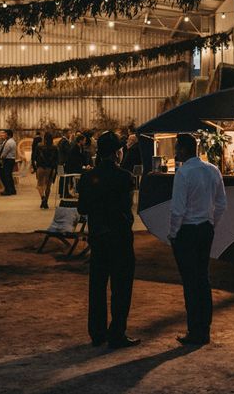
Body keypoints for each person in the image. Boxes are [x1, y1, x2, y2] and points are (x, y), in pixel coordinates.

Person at [77, 131, 139, 349]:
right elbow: (127, 207)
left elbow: (82, 208)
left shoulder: (87, 177)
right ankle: (117, 332)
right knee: (121, 288)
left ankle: (97, 332)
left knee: (97, 286)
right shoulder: (125, 177)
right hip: (120, 237)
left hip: (98, 237)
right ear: (117, 153)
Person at [169, 133, 227, 345]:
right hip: (205, 229)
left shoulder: (183, 173)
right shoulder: (212, 170)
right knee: (203, 279)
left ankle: (194, 330)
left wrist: (173, 233)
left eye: (176, 148)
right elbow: (221, 203)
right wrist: (212, 224)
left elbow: (177, 210)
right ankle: (205, 329)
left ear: (183, 150)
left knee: (190, 283)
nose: (175, 152)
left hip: (187, 232)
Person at [32, 132, 59, 209]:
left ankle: (43, 198)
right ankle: (46, 202)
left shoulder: (39, 146)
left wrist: (35, 168)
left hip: (41, 167)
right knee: (48, 185)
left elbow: (35, 157)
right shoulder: (55, 147)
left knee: (39, 185)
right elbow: (57, 160)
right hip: (51, 168)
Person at [0, 129, 17, 196]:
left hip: (8, 160)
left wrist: (1, 159)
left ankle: (8, 190)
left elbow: (4, 152)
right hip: (10, 160)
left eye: (5, 134)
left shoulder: (9, 142)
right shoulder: (8, 141)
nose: (4, 135)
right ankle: (12, 190)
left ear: (8, 135)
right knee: (9, 175)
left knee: (5, 175)